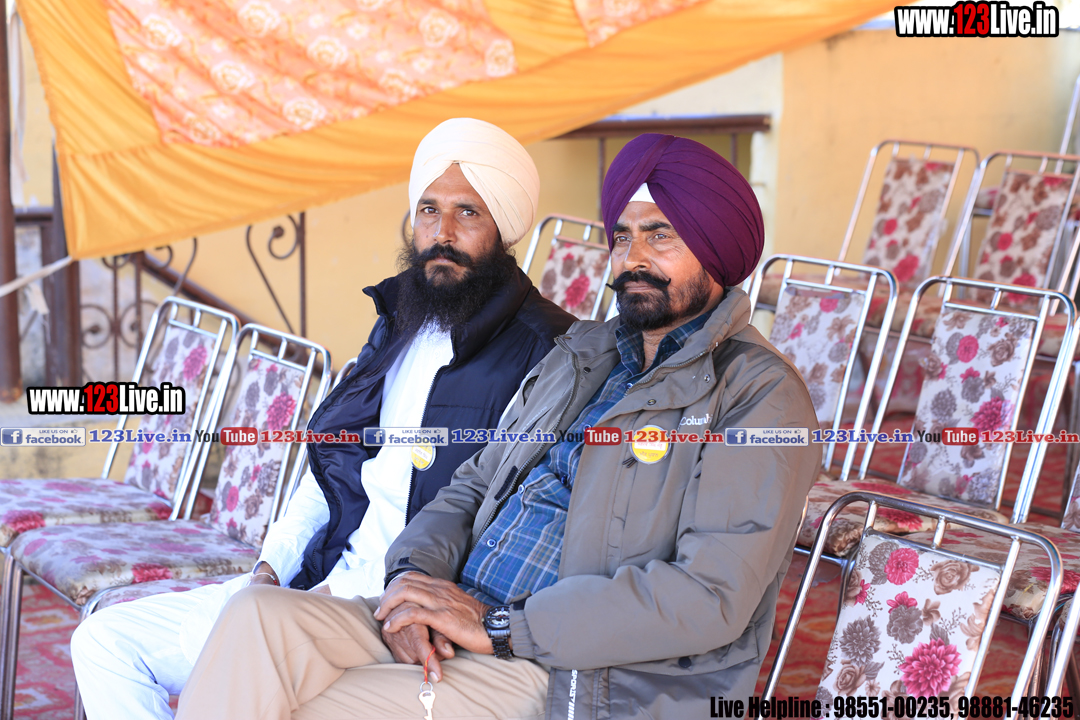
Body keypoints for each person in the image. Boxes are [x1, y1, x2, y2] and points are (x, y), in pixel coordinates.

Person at [174, 133, 821, 720]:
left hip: (567, 670)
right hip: (459, 619)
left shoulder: (760, 395)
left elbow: (708, 596)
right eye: (623, 237)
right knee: (255, 616)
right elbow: (473, 484)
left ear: (716, 250)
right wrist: (410, 583)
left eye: (661, 236)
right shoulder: (583, 354)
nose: (634, 258)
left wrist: (503, 626)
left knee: (295, 702)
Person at [70, 118, 576, 720]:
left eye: (467, 213)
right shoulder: (400, 316)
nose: (441, 233)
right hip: (321, 575)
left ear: (505, 227)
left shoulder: (550, 350)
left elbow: (515, 521)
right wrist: (272, 566)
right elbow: (330, 462)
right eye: (428, 210)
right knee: (105, 643)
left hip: (391, 609)